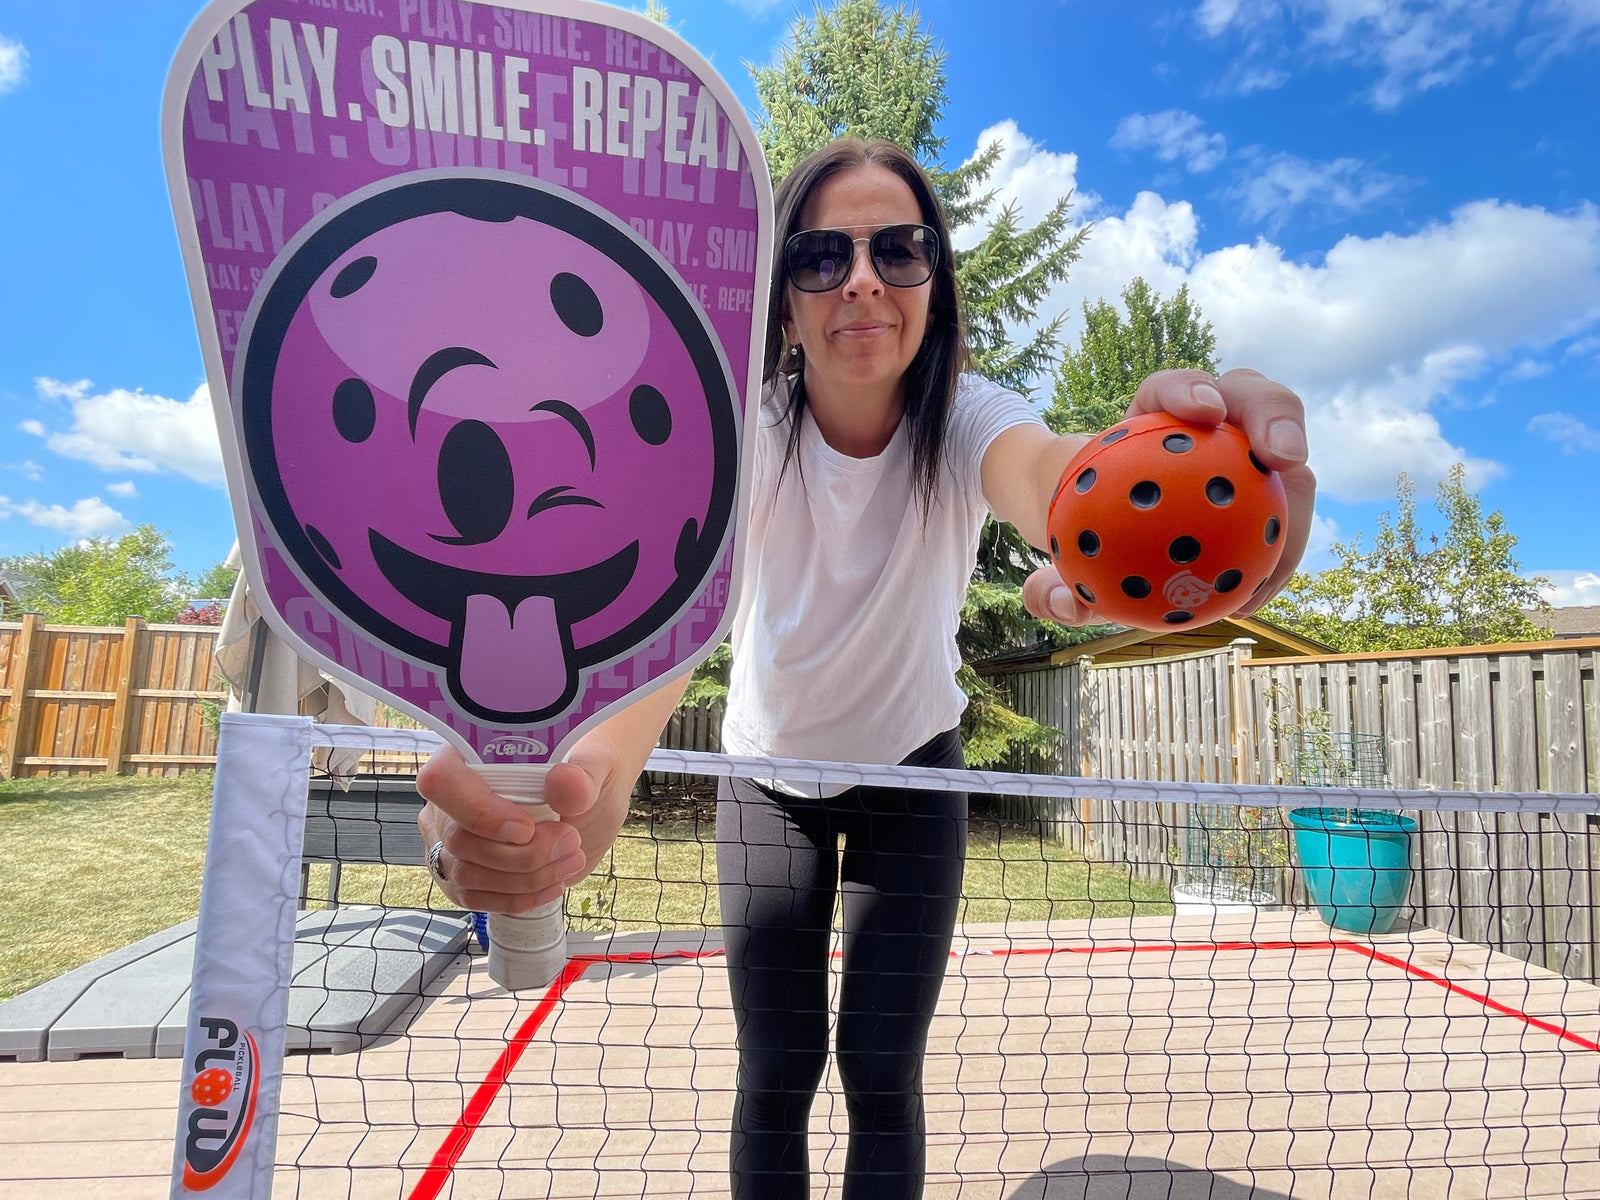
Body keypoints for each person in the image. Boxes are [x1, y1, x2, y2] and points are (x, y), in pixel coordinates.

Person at [415, 138, 1316, 1199]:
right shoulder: (742, 433)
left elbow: (1051, 475)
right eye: (819, 256)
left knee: (883, 1075)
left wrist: (1153, 487)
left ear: (933, 280)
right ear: (783, 302)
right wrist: (576, 793)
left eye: (898, 250)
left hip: (912, 774)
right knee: (776, 1074)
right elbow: (667, 632)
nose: (860, 280)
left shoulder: (969, 416)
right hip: (766, 780)